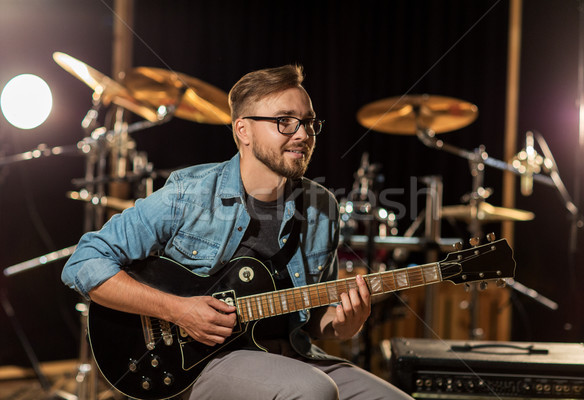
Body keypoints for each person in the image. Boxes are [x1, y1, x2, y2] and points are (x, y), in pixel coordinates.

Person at [62, 65, 413, 400]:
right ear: (243, 130)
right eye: (285, 122)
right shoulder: (191, 193)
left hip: (293, 355)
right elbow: (83, 263)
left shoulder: (323, 207)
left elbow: (312, 315)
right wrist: (176, 310)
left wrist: (344, 325)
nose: (303, 134)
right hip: (200, 363)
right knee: (312, 391)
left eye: (308, 122)